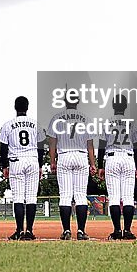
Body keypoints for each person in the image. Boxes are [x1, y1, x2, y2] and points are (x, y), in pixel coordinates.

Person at [47, 92, 98, 240]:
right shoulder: (85, 118)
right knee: (81, 196)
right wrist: (92, 163)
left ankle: (67, 231)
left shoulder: (57, 118)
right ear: (77, 102)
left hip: (64, 155)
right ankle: (81, 231)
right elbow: (90, 143)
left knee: (65, 196)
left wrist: (52, 161)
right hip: (81, 156)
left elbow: (52, 142)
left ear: (64, 101)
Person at [0, 96, 45, 240]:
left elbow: (3, 148)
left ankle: (19, 231)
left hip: (16, 161)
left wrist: (4, 166)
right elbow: (41, 147)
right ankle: (29, 231)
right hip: (32, 160)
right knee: (31, 198)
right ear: (27, 107)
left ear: (15, 107)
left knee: (18, 198)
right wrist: (40, 165)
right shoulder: (35, 124)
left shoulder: (8, 124)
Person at [99, 94, 137, 240]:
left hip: (112, 158)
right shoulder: (132, 122)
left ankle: (117, 230)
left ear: (113, 106)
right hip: (129, 158)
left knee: (114, 198)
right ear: (125, 106)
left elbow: (101, 145)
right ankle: (128, 231)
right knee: (129, 198)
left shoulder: (107, 122)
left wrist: (100, 166)